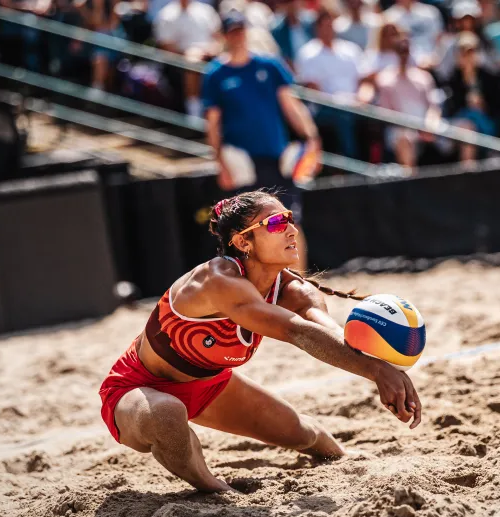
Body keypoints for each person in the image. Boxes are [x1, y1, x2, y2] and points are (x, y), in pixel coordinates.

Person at [99, 191, 423, 491]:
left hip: (211, 385)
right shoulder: (218, 279)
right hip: (138, 387)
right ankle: (213, 487)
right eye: (277, 222)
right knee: (167, 415)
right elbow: (298, 333)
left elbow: (332, 336)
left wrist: (384, 367)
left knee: (307, 435)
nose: (291, 230)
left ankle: (346, 457)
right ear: (243, 242)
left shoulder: (295, 291)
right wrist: (379, 374)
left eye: (290, 219)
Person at [202, 11, 322, 271]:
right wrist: (220, 163)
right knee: (248, 232)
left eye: (240, 29)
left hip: (276, 159)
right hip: (242, 164)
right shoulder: (215, 74)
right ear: (224, 35)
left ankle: (298, 282)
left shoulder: (270, 65)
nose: (238, 35)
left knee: (290, 223)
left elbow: (291, 105)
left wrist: (312, 139)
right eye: (232, 31)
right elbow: (212, 124)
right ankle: (260, 288)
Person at [295, 8, 363, 160]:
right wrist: (341, 101)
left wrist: (362, 98)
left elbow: (363, 82)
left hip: (356, 105)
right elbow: (313, 89)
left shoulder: (351, 50)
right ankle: (351, 163)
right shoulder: (307, 53)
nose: (328, 30)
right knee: (343, 117)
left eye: (330, 25)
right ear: (317, 28)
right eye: (324, 26)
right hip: (324, 107)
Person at [375, 32, 445, 169]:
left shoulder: (424, 77)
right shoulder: (385, 79)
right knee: (404, 138)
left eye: (406, 51)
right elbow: (385, 114)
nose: (403, 55)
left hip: (427, 126)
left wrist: (430, 125)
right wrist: (412, 127)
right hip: (399, 128)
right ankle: (412, 184)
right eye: (400, 51)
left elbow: (434, 107)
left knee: (465, 129)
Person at [153, 0, 222, 118]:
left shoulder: (206, 10)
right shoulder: (166, 15)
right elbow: (166, 47)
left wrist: (210, 50)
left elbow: (219, 39)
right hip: (181, 61)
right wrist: (191, 54)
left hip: (210, 56)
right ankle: (194, 114)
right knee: (192, 62)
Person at [444, 31, 500, 162]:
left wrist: (482, 104)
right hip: (462, 125)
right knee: (468, 125)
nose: (468, 56)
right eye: (464, 52)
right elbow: (452, 108)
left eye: (472, 51)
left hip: (487, 125)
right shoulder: (453, 79)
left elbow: (497, 107)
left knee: (474, 118)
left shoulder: (489, 78)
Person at [382, 0, 444, 67]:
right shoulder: (388, 16)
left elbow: (439, 38)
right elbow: (385, 45)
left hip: (432, 61)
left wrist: (434, 57)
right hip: (400, 66)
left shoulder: (431, 12)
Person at [271, 0, 316, 67]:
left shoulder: (311, 23)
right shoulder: (277, 31)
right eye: (287, 2)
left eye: (293, 1)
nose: (291, 5)